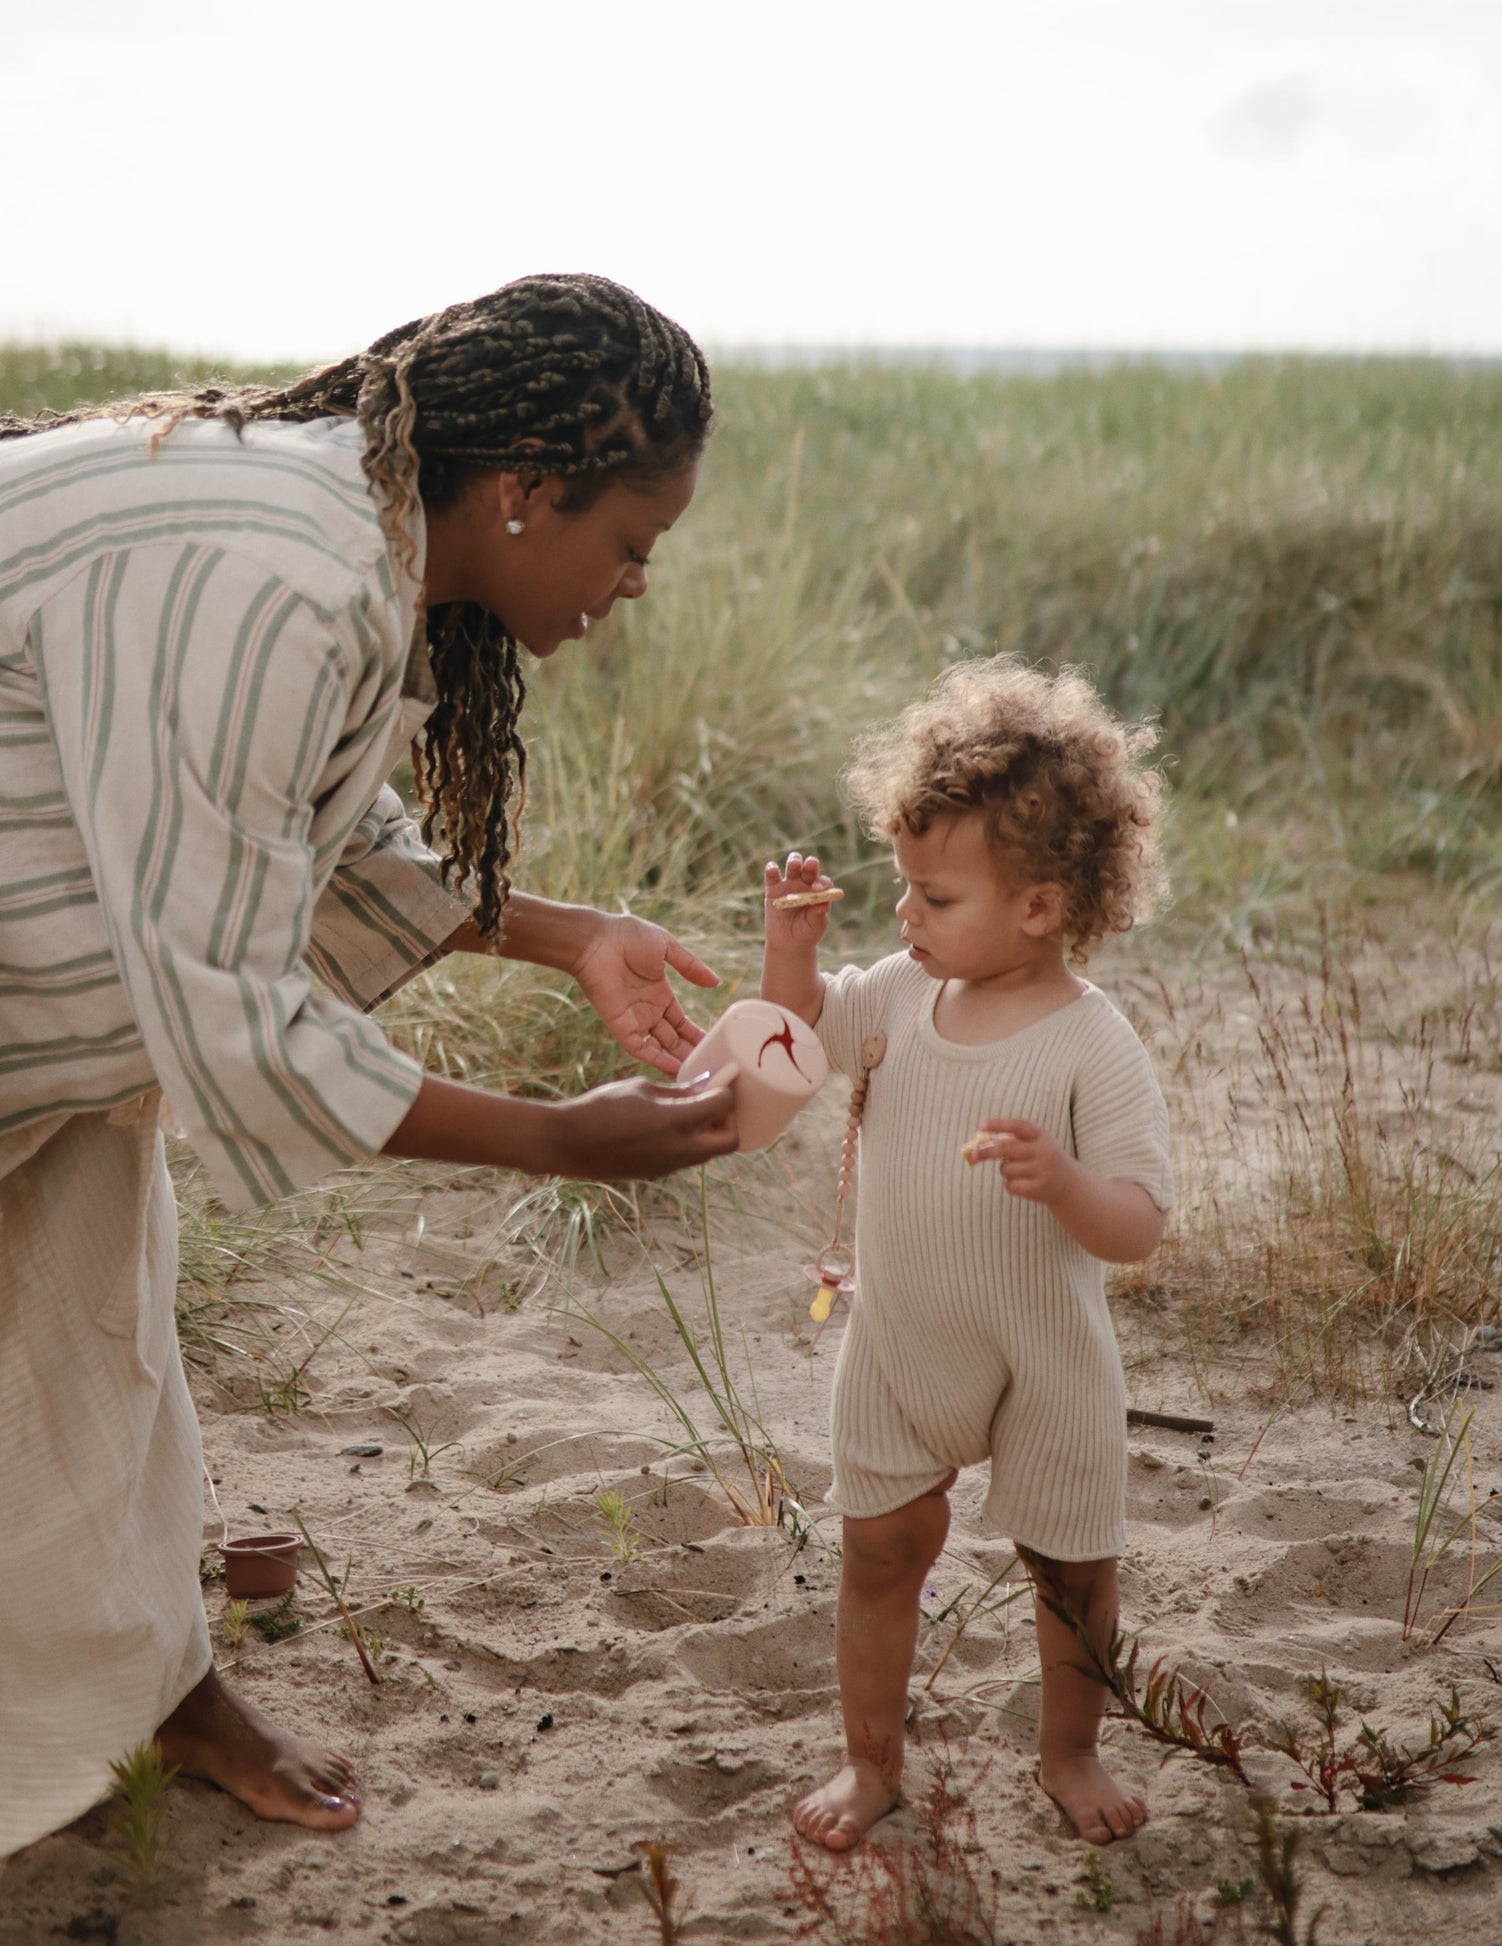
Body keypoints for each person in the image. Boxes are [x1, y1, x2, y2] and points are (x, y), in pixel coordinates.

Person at [0, 274, 741, 1860]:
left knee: (86, 1336)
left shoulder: (354, 544)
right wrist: (557, 1140)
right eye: (631, 543)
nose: (631, 586)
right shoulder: (277, 571)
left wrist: (568, 932)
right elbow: (235, 1009)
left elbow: (301, 832)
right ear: (527, 491)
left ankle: (152, 1688)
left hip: (38, 988)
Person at [759, 657, 1173, 1852]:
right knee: (878, 1550)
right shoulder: (894, 994)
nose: (904, 917)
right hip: (902, 1345)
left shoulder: (1093, 1044)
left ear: (1037, 907)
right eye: (903, 889)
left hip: (1046, 1356)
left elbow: (1138, 1222)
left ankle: (1070, 1748)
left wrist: (1068, 1183)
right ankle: (869, 1761)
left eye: (934, 898)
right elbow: (793, 1046)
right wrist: (790, 949)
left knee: (1070, 1567)